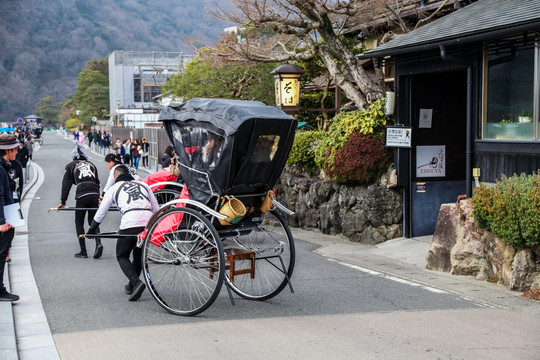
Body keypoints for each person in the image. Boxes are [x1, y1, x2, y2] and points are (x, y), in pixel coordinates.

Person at [87, 165, 159, 301]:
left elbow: (101, 211)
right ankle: (131, 285)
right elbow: (156, 208)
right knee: (138, 256)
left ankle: (136, 282)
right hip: (148, 223)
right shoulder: (143, 185)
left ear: (115, 176)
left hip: (130, 222)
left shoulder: (114, 188)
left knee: (122, 255)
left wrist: (92, 229)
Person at [58, 145, 103, 259]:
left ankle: (83, 251)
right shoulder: (92, 165)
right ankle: (98, 243)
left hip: (82, 193)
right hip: (94, 193)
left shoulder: (70, 166)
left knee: (79, 221)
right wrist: (98, 196)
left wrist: (63, 201)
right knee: (94, 220)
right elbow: (97, 181)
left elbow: (66, 185)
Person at [0, 134, 21, 301]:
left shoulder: (5, 165)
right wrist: (1, 221)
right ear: (8, 150)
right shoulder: (0, 168)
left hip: (10, 212)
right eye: (15, 149)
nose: (17, 152)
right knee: (1, 254)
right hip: (4, 217)